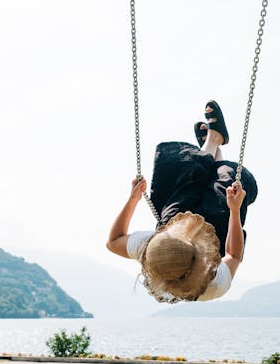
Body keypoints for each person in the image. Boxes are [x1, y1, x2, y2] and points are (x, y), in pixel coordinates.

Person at [107, 101, 258, 303]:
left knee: (181, 175)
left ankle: (213, 142)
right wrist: (235, 210)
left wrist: (133, 199)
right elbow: (233, 255)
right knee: (225, 180)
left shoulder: (158, 249)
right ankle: (212, 151)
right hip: (219, 236)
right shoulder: (213, 285)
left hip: (172, 224)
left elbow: (113, 241)